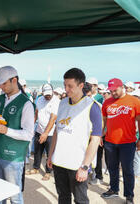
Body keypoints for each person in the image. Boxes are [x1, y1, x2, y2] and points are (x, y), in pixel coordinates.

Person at [47, 68, 102, 204]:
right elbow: (57, 131)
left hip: (77, 164)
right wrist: (50, 154)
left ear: (81, 85)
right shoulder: (63, 103)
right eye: (65, 85)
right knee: (63, 197)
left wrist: (85, 166)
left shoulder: (92, 107)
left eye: (70, 86)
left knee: (80, 200)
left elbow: (95, 140)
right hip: (59, 161)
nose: (66, 89)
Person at [0, 66, 34, 204]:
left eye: (4, 83)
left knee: (15, 196)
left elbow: (28, 135)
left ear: (14, 80)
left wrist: (6, 131)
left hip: (13, 158)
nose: (1, 86)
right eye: (0, 83)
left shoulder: (26, 104)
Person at [101, 78, 140, 204]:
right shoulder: (107, 102)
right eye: (111, 91)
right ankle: (114, 189)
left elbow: (139, 120)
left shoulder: (134, 101)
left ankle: (129, 196)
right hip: (110, 141)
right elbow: (104, 121)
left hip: (128, 142)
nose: (113, 93)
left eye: (115, 90)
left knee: (128, 170)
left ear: (122, 87)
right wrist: (101, 135)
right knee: (112, 168)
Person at [26, 83, 59, 181]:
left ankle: (48, 172)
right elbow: (36, 113)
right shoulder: (39, 99)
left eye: (49, 94)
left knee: (49, 153)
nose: (47, 96)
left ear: (52, 92)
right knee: (37, 151)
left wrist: (45, 133)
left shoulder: (56, 101)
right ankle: (36, 168)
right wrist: (31, 127)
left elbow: (53, 119)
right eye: (46, 94)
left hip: (50, 132)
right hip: (39, 129)